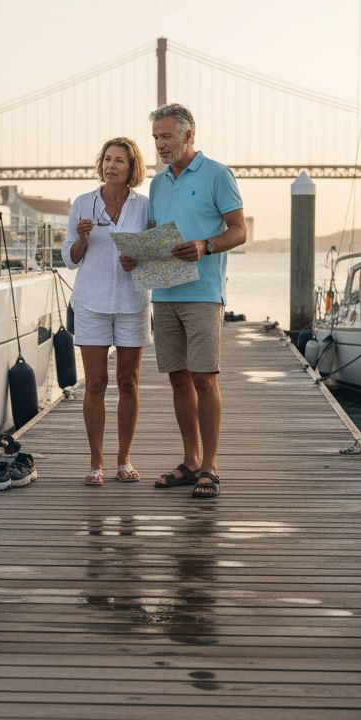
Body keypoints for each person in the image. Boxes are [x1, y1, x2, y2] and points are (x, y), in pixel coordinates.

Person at [137, 103, 247, 499]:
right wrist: (138, 254)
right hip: (164, 291)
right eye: (156, 138)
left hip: (202, 293)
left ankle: (211, 467)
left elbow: (239, 231)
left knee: (204, 378)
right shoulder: (158, 184)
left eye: (166, 136)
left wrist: (205, 245)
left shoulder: (218, 174)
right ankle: (190, 461)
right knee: (178, 379)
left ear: (188, 135)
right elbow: (155, 233)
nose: (160, 144)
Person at [61, 137, 152, 486]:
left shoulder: (144, 207)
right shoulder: (83, 204)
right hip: (91, 302)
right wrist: (82, 238)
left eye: (119, 161)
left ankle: (124, 460)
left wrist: (138, 258)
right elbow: (69, 258)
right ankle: (96, 462)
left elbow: (155, 250)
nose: (111, 166)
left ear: (132, 168)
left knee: (129, 382)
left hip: (133, 302)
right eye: (107, 159)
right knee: (96, 383)